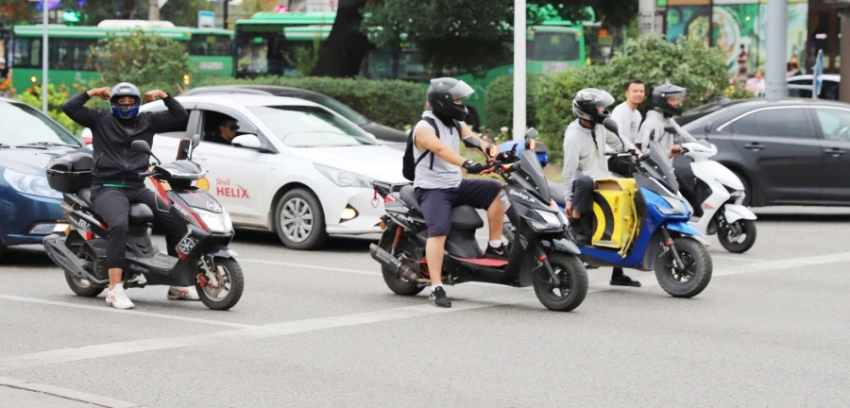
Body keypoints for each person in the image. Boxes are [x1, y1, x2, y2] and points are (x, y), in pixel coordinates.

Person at [61, 83, 196, 310]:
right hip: (107, 187)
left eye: (130, 101)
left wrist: (164, 95)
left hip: (136, 186)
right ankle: (115, 289)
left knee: (177, 222)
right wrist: (92, 93)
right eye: (121, 101)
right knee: (119, 226)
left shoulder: (148, 121)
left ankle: (176, 284)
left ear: (137, 102)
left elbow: (180, 116)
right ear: (113, 103)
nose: (126, 105)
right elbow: (69, 108)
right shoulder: (100, 119)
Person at [412, 77, 507, 308]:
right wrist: (466, 163)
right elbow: (440, 149)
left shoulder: (455, 122)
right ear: (443, 101)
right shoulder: (424, 128)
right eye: (457, 99)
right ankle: (436, 287)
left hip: (455, 184)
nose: (461, 103)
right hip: (432, 189)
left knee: (497, 190)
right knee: (439, 230)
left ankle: (495, 246)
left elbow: (473, 139)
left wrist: (492, 152)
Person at [561, 88, 641, 287]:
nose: (604, 110)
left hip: (603, 181)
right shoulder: (573, 136)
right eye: (599, 107)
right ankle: (576, 225)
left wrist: (637, 154)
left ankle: (618, 273)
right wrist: (569, 200)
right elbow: (569, 172)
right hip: (584, 186)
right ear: (587, 110)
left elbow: (620, 142)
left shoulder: (600, 126)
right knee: (586, 180)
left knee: (625, 209)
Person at [638, 81, 688, 168]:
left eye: (676, 99)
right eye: (672, 100)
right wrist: (669, 154)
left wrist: (698, 145)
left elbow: (684, 135)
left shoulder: (667, 119)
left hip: (666, 169)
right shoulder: (653, 123)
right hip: (657, 171)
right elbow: (647, 153)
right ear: (661, 102)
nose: (676, 103)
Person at [610, 79, 645, 148]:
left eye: (641, 91)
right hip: (618, 155)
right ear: (627, 93)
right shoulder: (619, 111)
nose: (638, 94)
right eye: (635, 91)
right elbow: (616, 137)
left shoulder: (637, 114)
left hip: (632, 155)